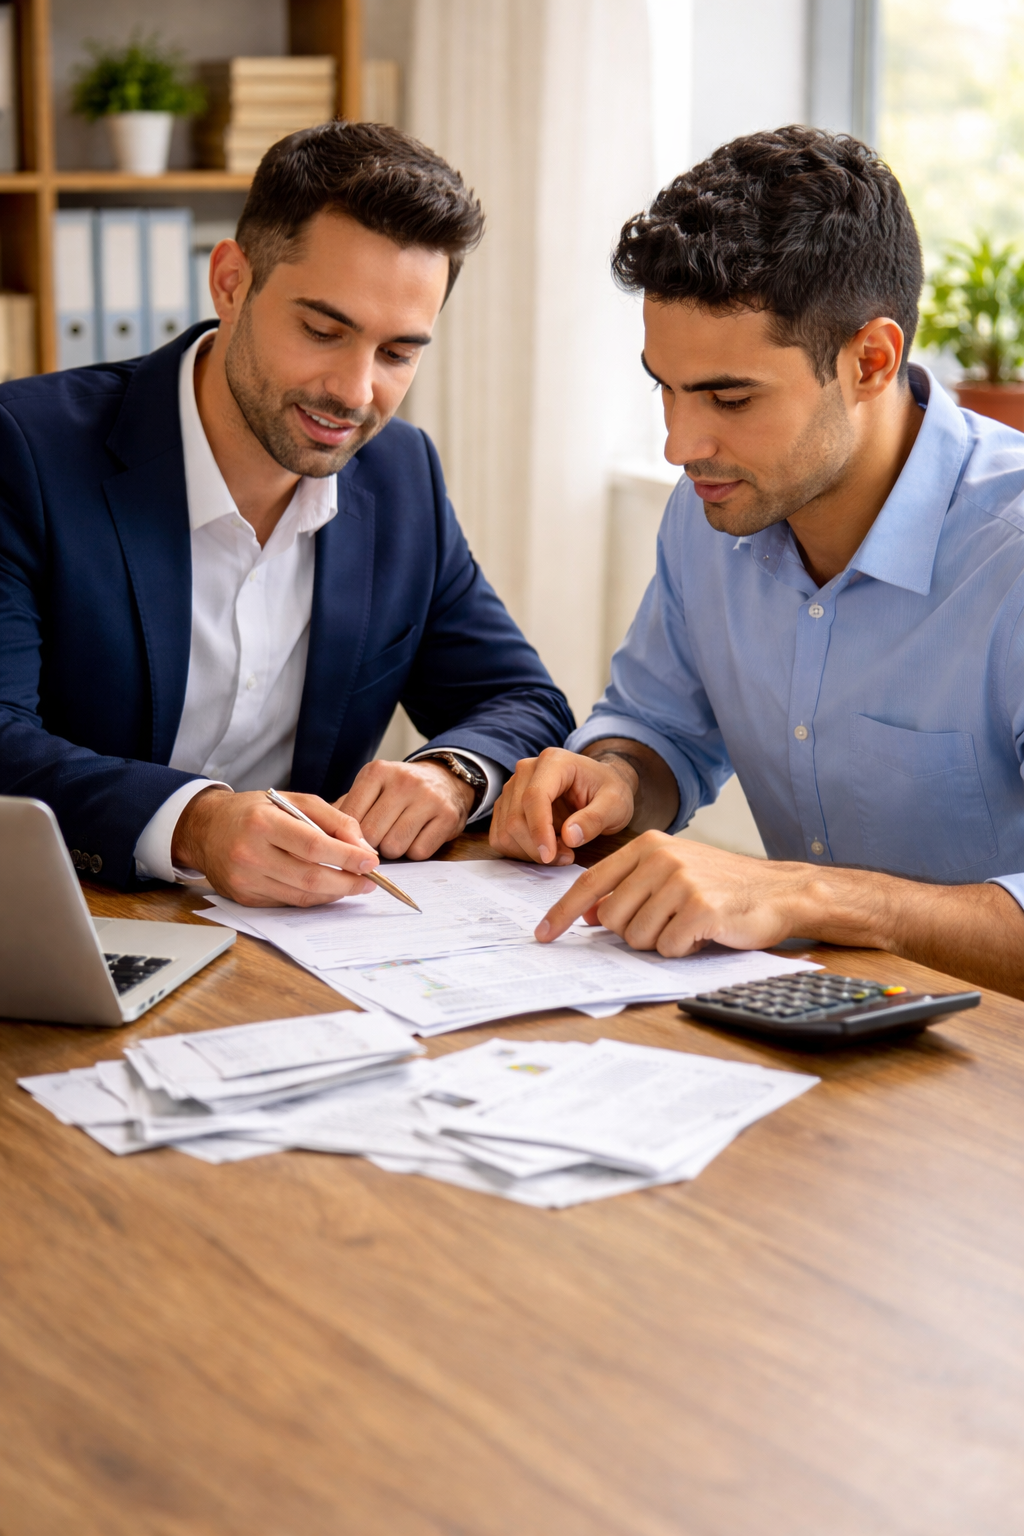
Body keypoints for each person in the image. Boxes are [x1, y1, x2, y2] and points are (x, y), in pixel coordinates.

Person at [490, 125, 1024, 998]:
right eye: (663, 385)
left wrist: (804, 894)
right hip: (818, 1028)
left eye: (729, 398)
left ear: (870, 361)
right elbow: (662, 728)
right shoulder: (713, 513)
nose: (679, 443)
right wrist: (615, 777)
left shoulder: (1012, 558)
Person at [0, 122, 572, 907]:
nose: (355, 390)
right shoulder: (25, 451)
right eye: (323, 330)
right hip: (67, 916)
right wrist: (195, 824)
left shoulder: (402, 474)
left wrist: (452, 773)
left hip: (297, 945)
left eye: (398, 353)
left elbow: (524, 700)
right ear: (232, 282)